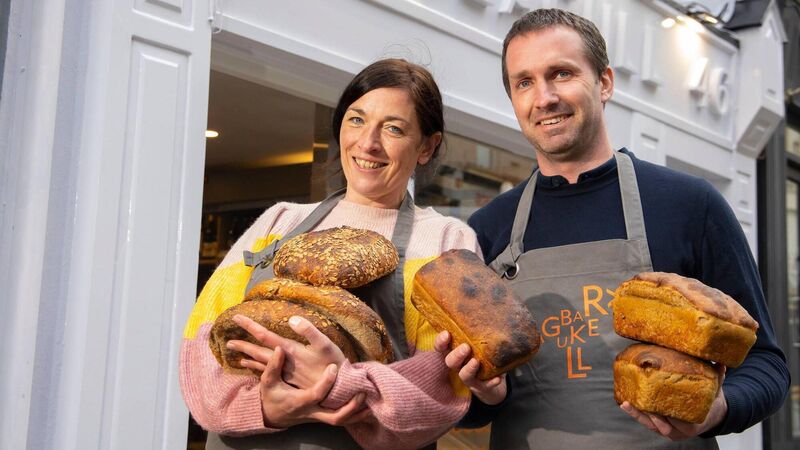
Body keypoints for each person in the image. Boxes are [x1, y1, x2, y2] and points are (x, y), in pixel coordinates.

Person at [442, 8, 791, 449]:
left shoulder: (689, 205)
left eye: (561, 73)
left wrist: (718, 410)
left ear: (604, 82)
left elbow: (765, 363)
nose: (543, 97)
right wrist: (483, 394)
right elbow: (474, 407)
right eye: (524, 82)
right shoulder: (490, 226)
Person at [179, 58, 494, 450]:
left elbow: (444, 389)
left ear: (426, 146)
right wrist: (267, 406)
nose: (368, 143)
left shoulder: (446, 241)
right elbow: (200, 347)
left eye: (393, 128)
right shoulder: (278, 221)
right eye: (357, 119)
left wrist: (338, 384)